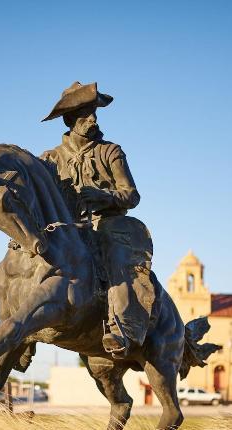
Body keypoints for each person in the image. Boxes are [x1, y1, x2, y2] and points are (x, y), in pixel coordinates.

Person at [41, 82, 155, 357]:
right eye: (84, 114)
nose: (92, 119)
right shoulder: (49, 158)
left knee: (118, 256)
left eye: (94, 113)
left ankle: (121, 326)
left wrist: (105, 197)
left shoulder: (111, 151)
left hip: (107, 223)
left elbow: (131, 195)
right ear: (70, 119)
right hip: (66, 226)